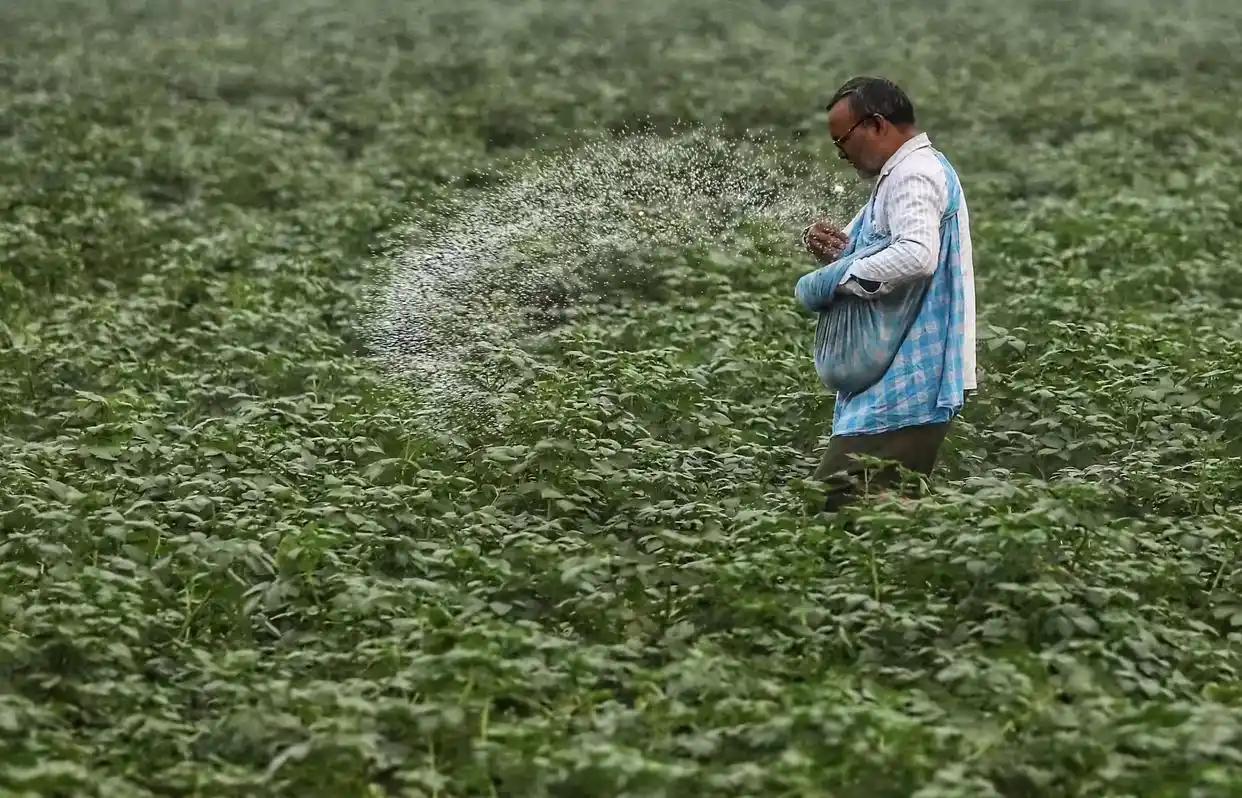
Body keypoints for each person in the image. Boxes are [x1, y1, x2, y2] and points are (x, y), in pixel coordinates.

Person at [800, 76, 976, 512]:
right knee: (878, 514)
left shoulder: (914, 174)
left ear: (876, 125)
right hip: (892, 381)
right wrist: (839, 251)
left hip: (908, 384)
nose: (842, 155)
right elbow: (883, 251)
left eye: (842, 140)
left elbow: (916, 255)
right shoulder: (900, 174)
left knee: (835, 508)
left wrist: (836, 279)